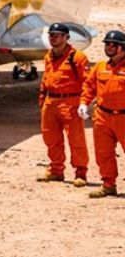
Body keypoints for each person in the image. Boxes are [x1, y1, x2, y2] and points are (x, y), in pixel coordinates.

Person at [36, 23, 90, 185]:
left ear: (67, 38)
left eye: (59, 35)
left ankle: (80, 173)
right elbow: (46, 78)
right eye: (52, 35)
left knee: (76, 139)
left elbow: (87, 81)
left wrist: (84, 103)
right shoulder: (49, 55)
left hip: (70, 102)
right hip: (50, 102)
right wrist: (42, 98)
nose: (54, 38)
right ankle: (56, 170)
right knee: (51, 138)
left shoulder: (77, 57)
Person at [79, 30, 125, 199]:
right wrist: (84, 102)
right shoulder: (100, 67)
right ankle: (108, 185)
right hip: (102, 116)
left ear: (122, 47)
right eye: (107, 44)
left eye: (114, 45)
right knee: (103, 153)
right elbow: (89, 86)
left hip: (124, 117)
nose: (110, 47)